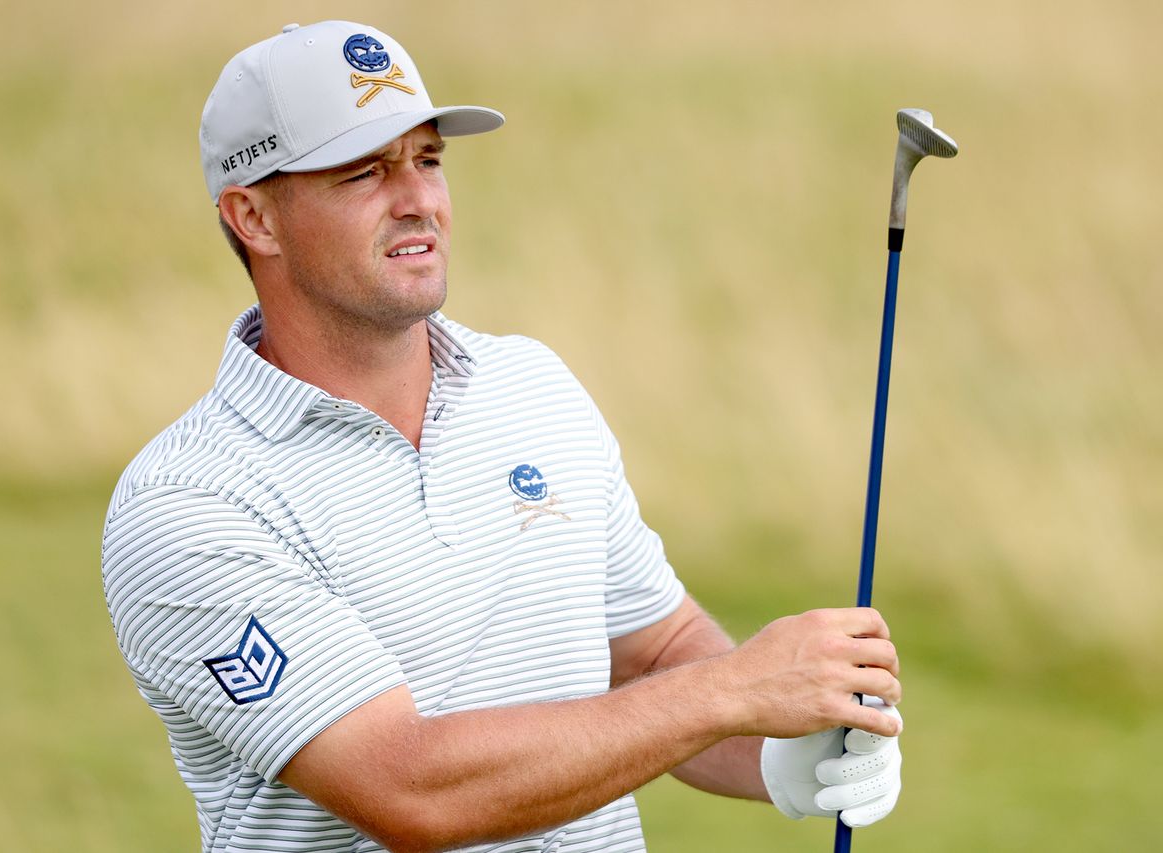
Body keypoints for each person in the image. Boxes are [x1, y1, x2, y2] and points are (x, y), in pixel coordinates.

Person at [101, 19, 904, 853]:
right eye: (363, 172)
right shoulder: (188, 502)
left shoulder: (532, 386)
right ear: (254, 218)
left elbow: (653, 652)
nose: (417, 198)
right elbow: (407, 789)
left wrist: (780, 751)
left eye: (428, 159)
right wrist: (733, 692)